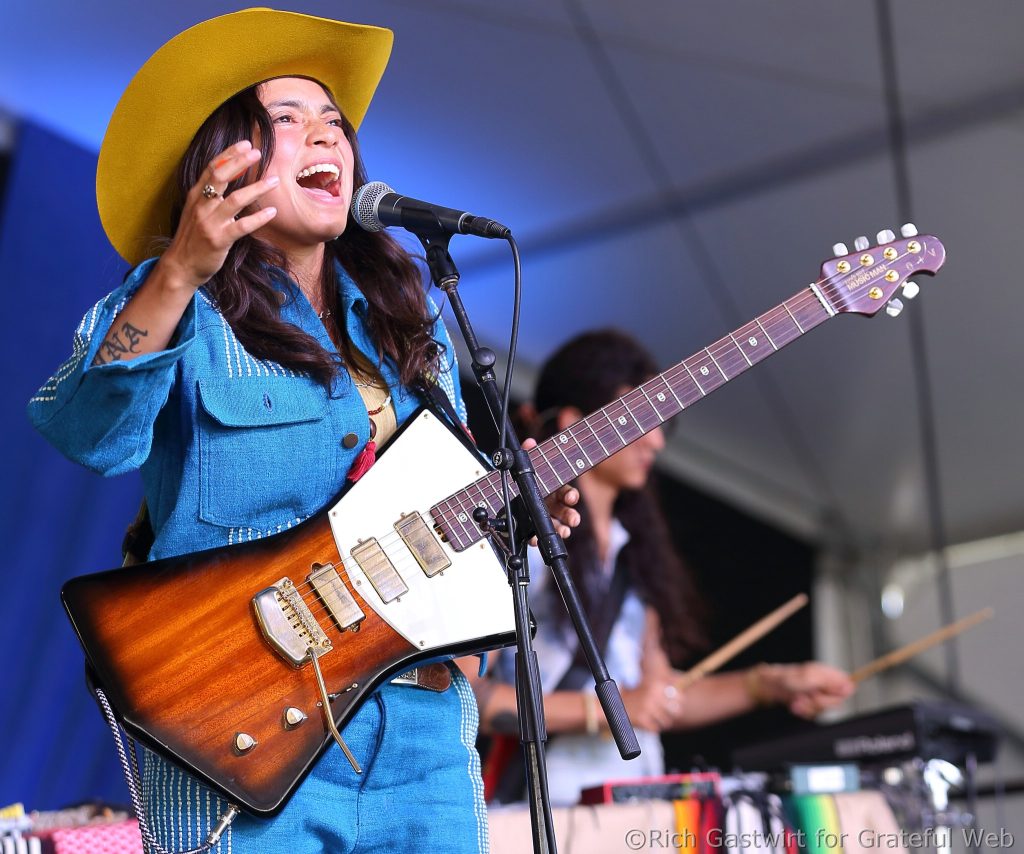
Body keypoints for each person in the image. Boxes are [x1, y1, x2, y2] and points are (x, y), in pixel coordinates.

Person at [27, 9, 577, 853]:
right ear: (223, 163)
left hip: (421, 735)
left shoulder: (411, 319)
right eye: (286, 119)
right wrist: (178, 271)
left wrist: (515, 514)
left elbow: (444, 513)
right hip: (243, 737)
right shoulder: (183, 305)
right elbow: (88, 433)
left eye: (334, 121)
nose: (325, 134)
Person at [462, 329, 855, 807]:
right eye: (639, 418)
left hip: (636, 805)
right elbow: (473, 696)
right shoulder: (518, 542)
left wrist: (771, 684)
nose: (655, 440)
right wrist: (604, 710)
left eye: (659, 422)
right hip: (543, 808)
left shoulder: (632, 557)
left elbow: (661, 697)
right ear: (575, 423)